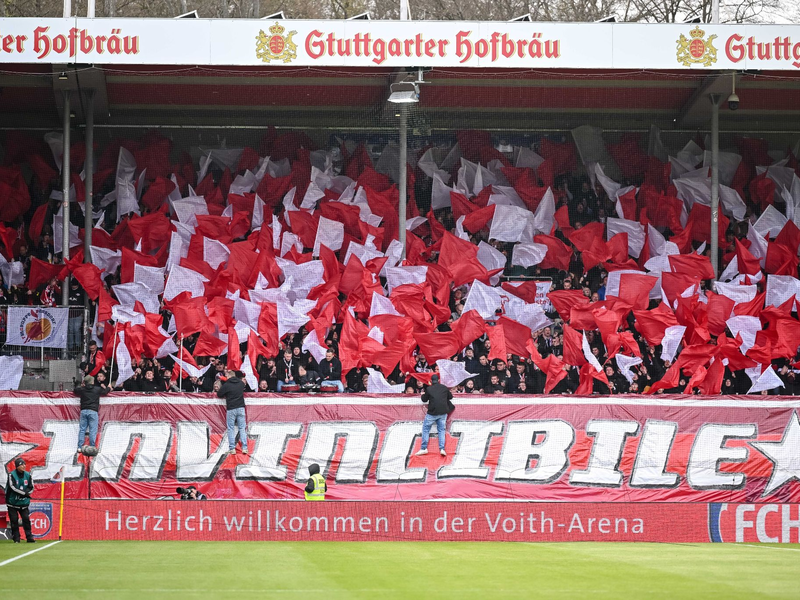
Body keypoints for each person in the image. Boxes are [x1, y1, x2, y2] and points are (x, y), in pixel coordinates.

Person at [415, 374, 453, 457]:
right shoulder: (444, 387)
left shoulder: (429, 389)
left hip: (432, 413)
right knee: (441, 430)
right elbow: (450, 397)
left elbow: (424, 399)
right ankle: (442, 449)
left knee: (426, 429)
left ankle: (424, 448)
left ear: (431, 381)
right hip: (443, 412)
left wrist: (422, 394)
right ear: (438, 380)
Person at [74, 375, 109, 455]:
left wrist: (81, 385)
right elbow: (105, 392)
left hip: (83, 411)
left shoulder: (82, 389)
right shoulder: (96, 389)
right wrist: (108, 387)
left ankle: (79, 447)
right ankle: (92, 447)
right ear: (92, 382)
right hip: (93, 411)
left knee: (82, 430)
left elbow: (75, 390)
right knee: (92, 430)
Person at [217, 370, 248, 455]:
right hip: (241, 407)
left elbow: (219, 394)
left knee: (231, 428)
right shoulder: (241, 384)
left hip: (231, 408)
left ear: (229, 376)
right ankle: (245, 448)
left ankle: (232, 448)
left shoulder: (227, 385)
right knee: (242, 428)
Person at [5, 458, 35, 543]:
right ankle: (16, 539)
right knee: (14, 521)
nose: (24, 466)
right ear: (17, 466)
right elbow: (12, 487)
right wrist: (23, 493)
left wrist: (27, 493)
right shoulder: (11, 475)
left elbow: (31, 487)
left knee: (26, 519)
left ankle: (29, 538)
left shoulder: (28, 475)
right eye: (21, 465)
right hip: (12, 503)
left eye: (24, 464)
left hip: (23, 503)